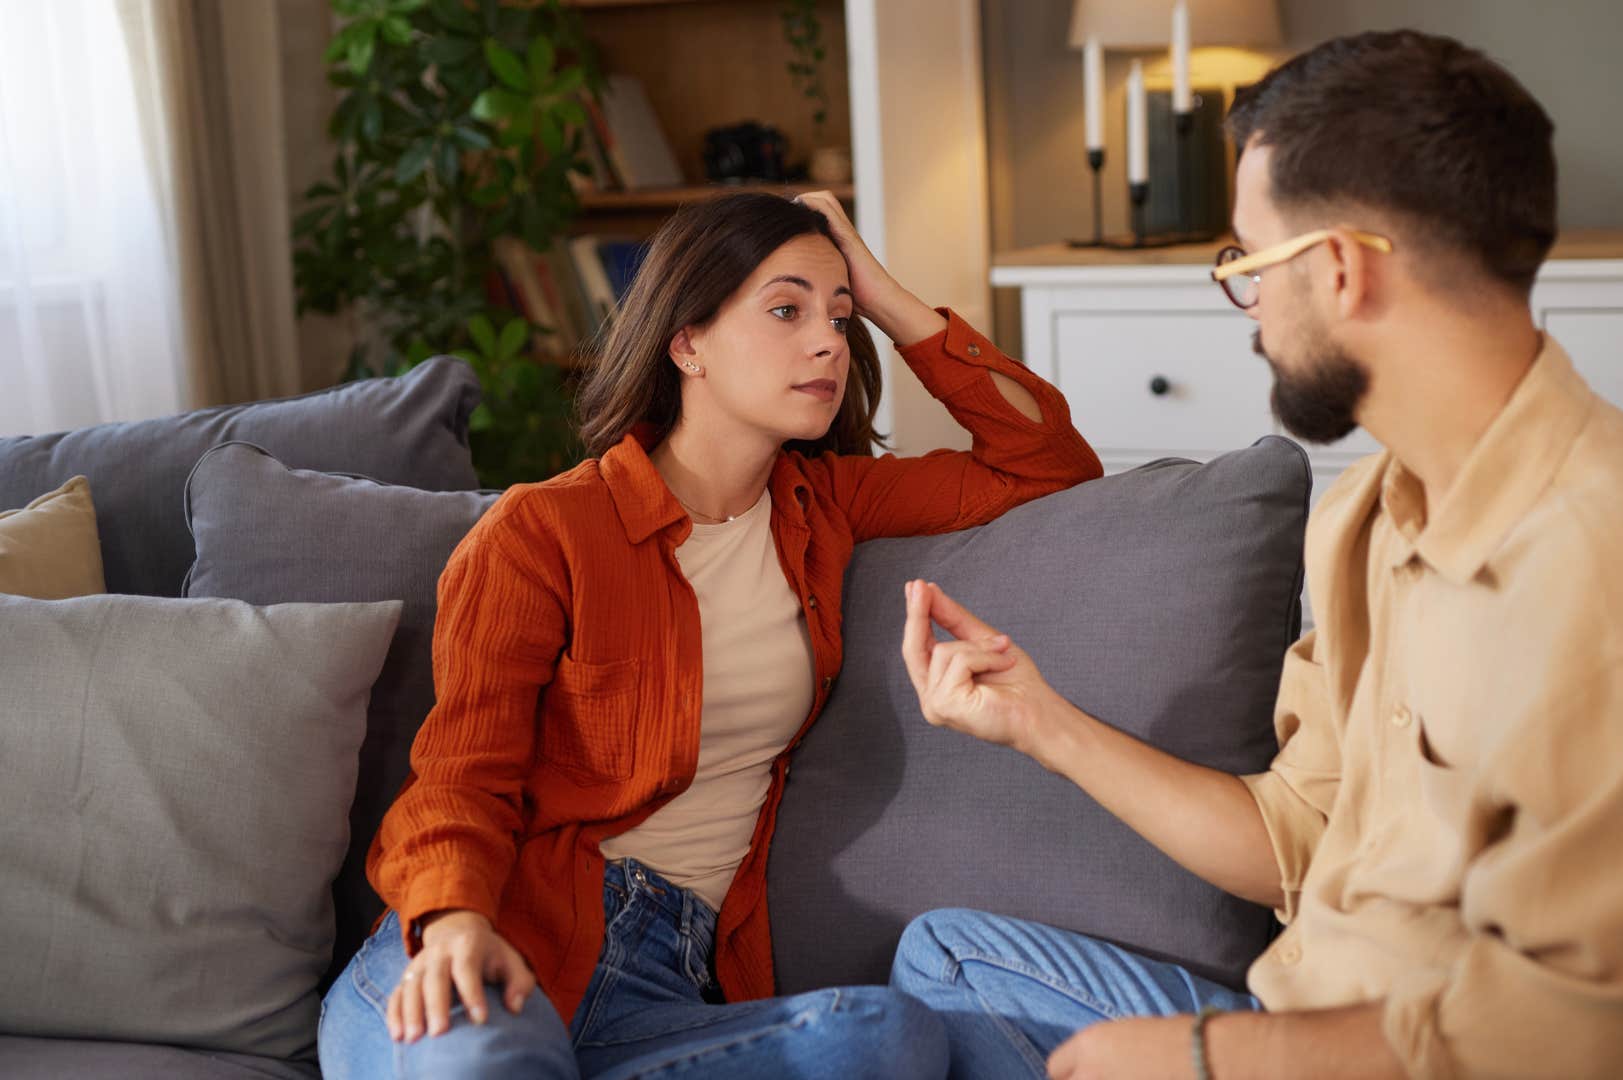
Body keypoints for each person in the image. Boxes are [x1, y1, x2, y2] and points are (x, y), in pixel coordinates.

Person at [887, 30, 1623, 1080]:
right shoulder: (1376, 512)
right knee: (946, 957)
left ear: (1337, 268)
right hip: (1291, 1012)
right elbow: (1295, 834)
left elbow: (1550, 1049)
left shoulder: (1622, 594)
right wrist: (1040, 723)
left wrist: (1199, 1056)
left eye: (1247, 261)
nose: (1248, 309)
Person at [317, 190, 1103, 1078]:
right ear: (686, 342)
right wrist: (455, 923)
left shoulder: (828, 506)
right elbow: (461, 776)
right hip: (495, 940)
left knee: (888, 1037)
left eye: (838, 320)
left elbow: (1048, 462)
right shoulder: (544, 532)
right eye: (785, 309)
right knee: (486, 1069)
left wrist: (879, 291)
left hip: (662, 980)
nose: (826, 342)